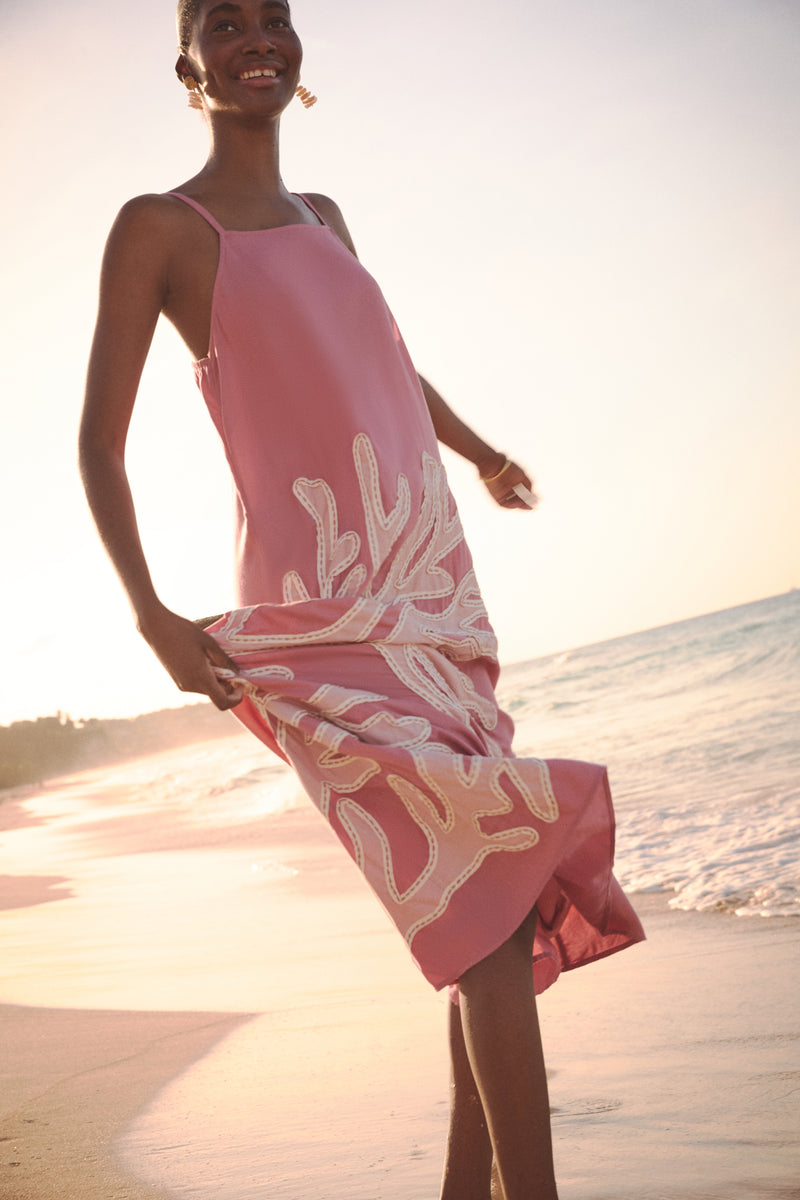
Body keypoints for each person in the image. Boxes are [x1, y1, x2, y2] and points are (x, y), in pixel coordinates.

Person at [79, 3, 645, 1196]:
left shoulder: (326, 218)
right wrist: (152, 616)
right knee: (484, 902)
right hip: (319, 616)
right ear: (187, 63)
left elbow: (387, 362)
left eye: (274, 14)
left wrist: (482, 456)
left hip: (427, 586)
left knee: (474, 893)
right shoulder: (158, 228)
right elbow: (98, 443)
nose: (256, 35)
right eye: (222, 20)